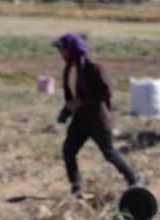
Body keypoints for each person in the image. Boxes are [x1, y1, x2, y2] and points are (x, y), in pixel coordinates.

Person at [53, 33, 140, 197]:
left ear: (72, 49)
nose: (60, 53)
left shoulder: (92, 67)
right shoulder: (69, 68)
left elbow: (106, 92)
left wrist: (82, 101)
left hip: (98, 120)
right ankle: (76, 188)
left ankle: (134, 179)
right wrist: (66, 110)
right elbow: (72, 95)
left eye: (62, 49)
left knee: (109, 153)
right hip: (80, 120)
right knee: (68, 151)